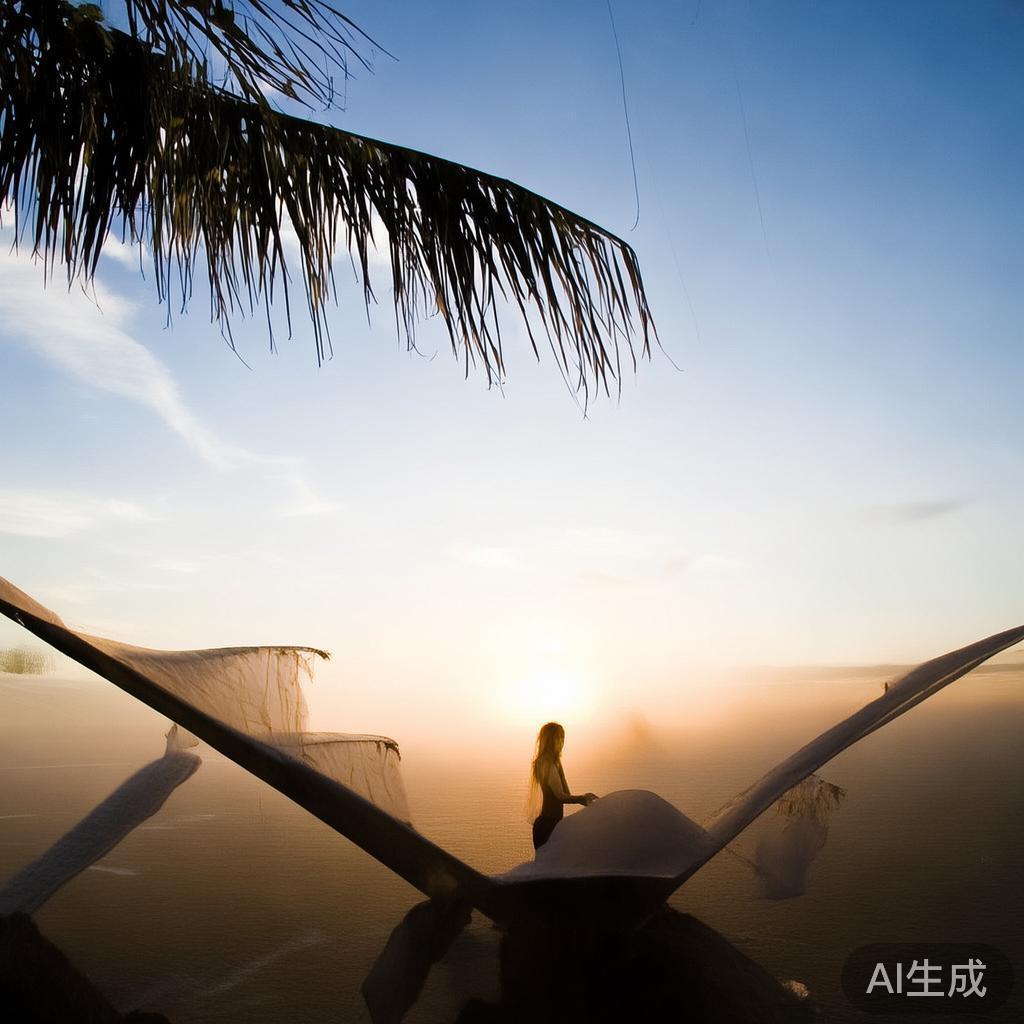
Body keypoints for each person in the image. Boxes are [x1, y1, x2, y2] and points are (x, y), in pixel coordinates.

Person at [529, 722, 598, 851]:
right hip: (548, 825)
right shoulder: (546, 763)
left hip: (553, 824)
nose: (562, 742)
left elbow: (565, 794)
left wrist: (582, 797)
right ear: (551, 740)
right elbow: (560, 796)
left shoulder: (549, 762)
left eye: (562, 738)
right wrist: (582, 798)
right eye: (559, 738)